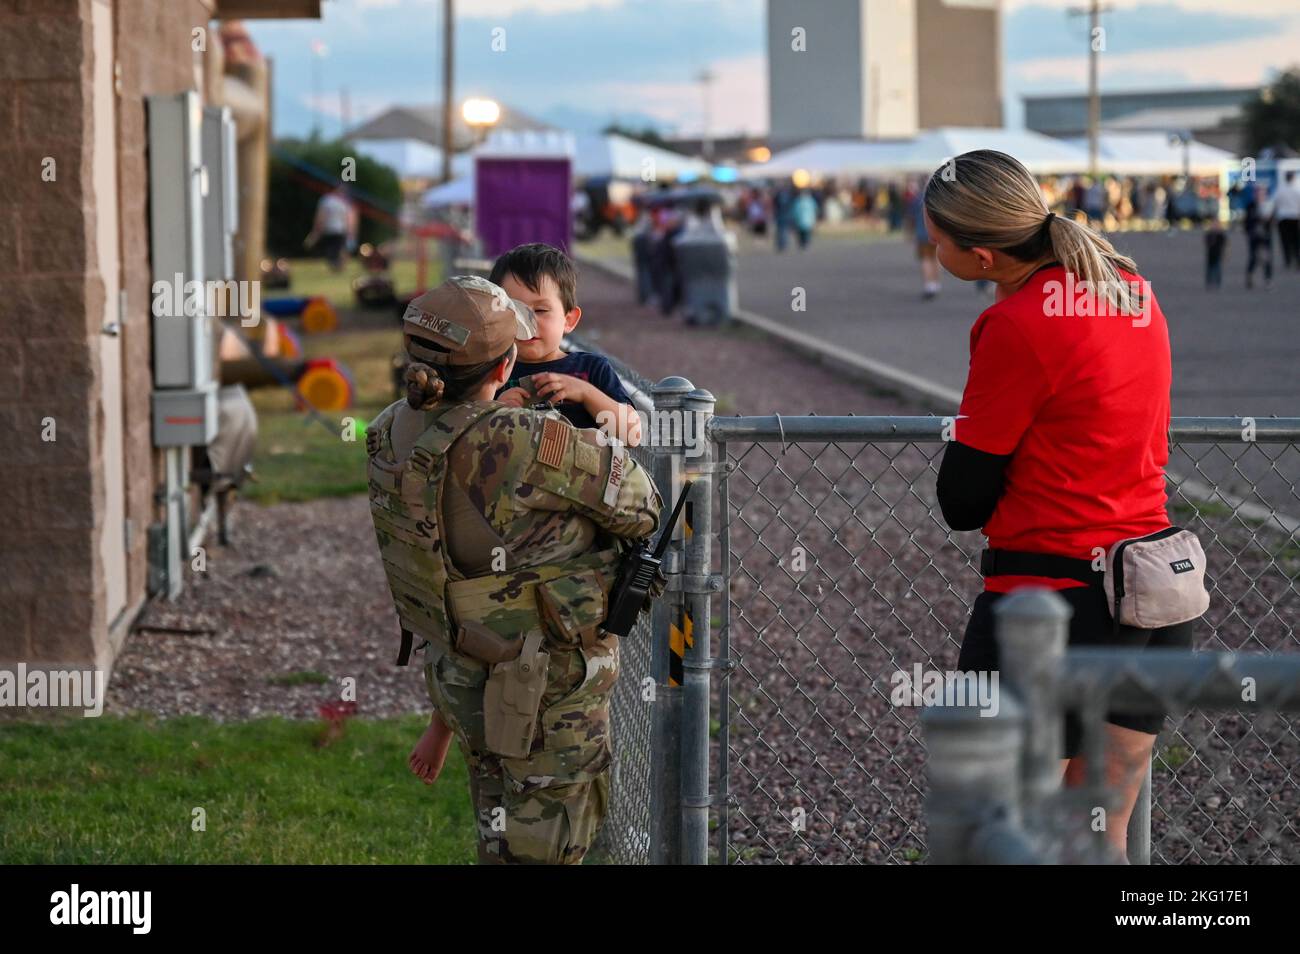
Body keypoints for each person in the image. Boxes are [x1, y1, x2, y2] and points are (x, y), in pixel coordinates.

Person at [924, 149, 1200, 859]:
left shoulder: (1015, 324)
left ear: (982, 255)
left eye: (939, 239)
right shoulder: (1131, 289)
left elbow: (962, 498)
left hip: (1047, 601)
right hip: (1151, 591)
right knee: (1098, 833)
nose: (932, 249)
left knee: (1009, 829)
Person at [367, 275, 663, 865]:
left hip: (463, 670)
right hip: (546, 686)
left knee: (497, 827)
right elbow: (642, 507)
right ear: (505, 366)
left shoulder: (387, 430)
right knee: (548, 844)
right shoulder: (526, 441)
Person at [489, 243, 642, 446]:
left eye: (541, 310)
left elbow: (632, 434)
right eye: (515, 310)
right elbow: (466, 434)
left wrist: (586, 393)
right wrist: (495, 412)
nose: (527, 321)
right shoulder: (488, 370)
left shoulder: (590, 368)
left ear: (569, 320)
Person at [306, 185, 357, 272]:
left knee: (331, 250)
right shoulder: (344, 202)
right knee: (339, 249)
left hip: (329, 229)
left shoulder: (326, 200)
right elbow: (349, 218)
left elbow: (321, 216)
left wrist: (316, 230)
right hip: (340, 230)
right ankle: (339, 267)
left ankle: (335, 266)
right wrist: (351, 231)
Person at [907, 182, 940, 300]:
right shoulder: (938, 199)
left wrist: (909, 233)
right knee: (935, 259)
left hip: (921, 234)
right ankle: (936, 284)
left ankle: (929, 285)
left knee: (925, 260)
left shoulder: (916, 199)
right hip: (936, 234)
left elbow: (910, 218)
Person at [1243, 185, 1274, 289]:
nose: (1260, 195)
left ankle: (1268, 280)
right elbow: (1246, 222)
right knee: (1253, 258)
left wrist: (1268, 219)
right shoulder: (1251, 206)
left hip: (1265, 236)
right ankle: (1250, 277)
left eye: (1263, 193)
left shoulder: (1269, 205)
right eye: (1258, 193)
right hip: (1254, 236)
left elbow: (1272, 222)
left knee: (1267, 258)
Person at [1272, 170, 1300, 270]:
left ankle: (1288, 260)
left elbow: (1274, 204)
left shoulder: (1280, 190)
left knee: (1285, 241)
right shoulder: (1297, 190)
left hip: (1283, 218)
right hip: (1294, 218)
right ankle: (1297, 260)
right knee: (1296, 241)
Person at [1204, 218, 1227, 289]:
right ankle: (1209, 282)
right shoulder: (1209, 234)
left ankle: (1218, 282)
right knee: (1209, 269)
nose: (1215, 226)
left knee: (1218, 269)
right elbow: (1206, 243)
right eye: (1213, 225)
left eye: (1216, 225)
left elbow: (1224, 244)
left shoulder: (1221, 235)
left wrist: (1225, 254)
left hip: (1218, 254)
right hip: (1210, 254)